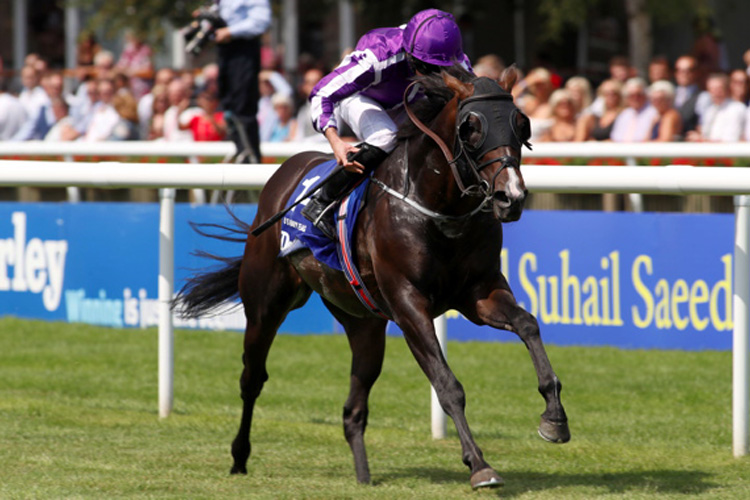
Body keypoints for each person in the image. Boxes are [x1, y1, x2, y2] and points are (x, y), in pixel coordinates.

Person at [304, 9, 471, 238]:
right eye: (427, 67)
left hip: (405, 99)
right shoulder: (380, 56)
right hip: (359, 97)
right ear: (411, 55)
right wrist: (336, 141)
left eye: (440, 70)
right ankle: (322, 201)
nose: (435, 76)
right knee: (387, 136)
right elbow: (322, 92)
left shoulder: (455, 59)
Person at [211, 0, 271, 161]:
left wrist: (230, 31)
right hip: (226, 51)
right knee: (229, 105)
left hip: (244, 50)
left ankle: (251, 159)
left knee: (243, 107)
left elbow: (261, 21)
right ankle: (241, 151)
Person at [687, 73, 745, 143]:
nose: (715, 92)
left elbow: (730, 142)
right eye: (711, 89)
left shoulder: (737, 109)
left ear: (727, 89)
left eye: (718, 88)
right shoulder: (710, 110)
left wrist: (701, 139)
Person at [609, 77, 658, 142]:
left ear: (645, 95)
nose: (635, 98)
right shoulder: (624, 114)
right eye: (631, 95)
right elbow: (615, 138)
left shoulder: (654, 113)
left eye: (638, 95)